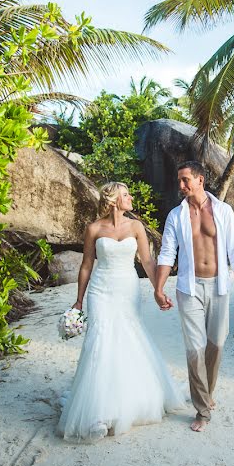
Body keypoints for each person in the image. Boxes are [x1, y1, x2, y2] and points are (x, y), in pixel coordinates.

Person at [57, 182, 185, 441]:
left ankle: (126, 401)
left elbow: (148, 261)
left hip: (127, 289)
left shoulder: (136, 227)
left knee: (128, 338)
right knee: (100, 341)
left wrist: (158, 290)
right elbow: (85, 266)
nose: (130, 197)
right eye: (126, 194)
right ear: (114, 200)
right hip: (100, 291)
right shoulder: (93, 228)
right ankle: (99, 412)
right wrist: (79, 300)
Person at [153, 161, 234, 432]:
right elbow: (167, 254)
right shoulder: (176, 216)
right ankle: (202, 410)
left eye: (185, 180)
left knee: (216, 344)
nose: (181, 186)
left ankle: (207, 393)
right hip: (189, 288)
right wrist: (159, 288)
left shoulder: (223, 211)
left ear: (200, 180)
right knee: (195, 349)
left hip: (219, 287)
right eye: (179, 181)